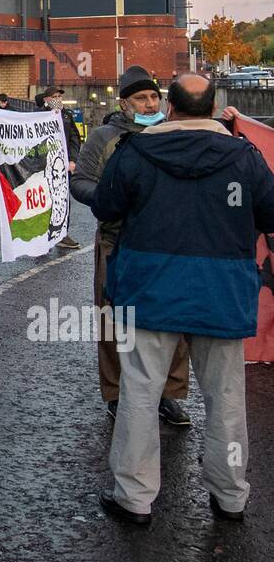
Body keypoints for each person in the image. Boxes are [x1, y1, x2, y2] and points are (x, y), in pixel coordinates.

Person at [91, 73, 274, 525]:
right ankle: (229, 493)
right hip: (222, 288)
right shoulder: (243, 155)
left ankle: (134, 497)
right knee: (226, 395)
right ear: (214, 108)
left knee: (138, 390)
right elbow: (269, 213)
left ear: (169, 108)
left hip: (149, 286)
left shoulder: (136, 151)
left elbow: (106, 208)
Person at [70, 65, 191, 425]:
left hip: (168, 243)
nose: (150, 103)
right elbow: (81, 183)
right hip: (116, 241)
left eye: (155, 96)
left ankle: (168, 393)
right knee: (113, 321)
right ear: (124, 103)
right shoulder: (103, 138)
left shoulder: (174, 133)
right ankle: (117, 393)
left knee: (173, 318)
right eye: (141, 98)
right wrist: (114, 199)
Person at [35, 85, 81, 249]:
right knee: (45, 200)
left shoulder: (66, 115)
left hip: (63, 165)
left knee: (62, 198)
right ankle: (41, 234)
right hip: (44, 166)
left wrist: (73, 159)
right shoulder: (38, 115)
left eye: (60, 97)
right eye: (54, 97)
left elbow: (75, 138)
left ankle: (62, 233)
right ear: (47, 99)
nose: (58, 100)